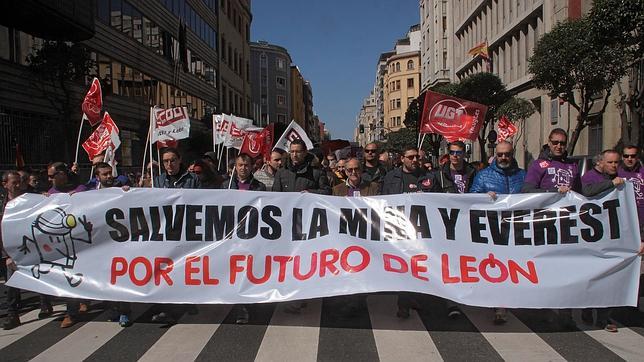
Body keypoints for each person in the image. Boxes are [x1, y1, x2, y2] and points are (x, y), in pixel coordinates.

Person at [469, 141, 525, 324]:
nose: (503, 158)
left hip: (517, 229)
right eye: (500, 154)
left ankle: (510, 300)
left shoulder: (522, 175)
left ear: (512, 154)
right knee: (496, 267)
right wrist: (484, 197)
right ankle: (499, 305)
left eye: (507, 154)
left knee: (514, 266)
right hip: (491, 229)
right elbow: (471, 198)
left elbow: (534, 194)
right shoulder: (483, 176)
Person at [423, 141, 477, 318]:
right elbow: (430, 198)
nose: (455, 156)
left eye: (459, 152)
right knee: (450, 262)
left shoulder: (473, 173)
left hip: (469, 223)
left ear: (464, 154)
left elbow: (480, 191)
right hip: (447, 225)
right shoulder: (439, 174)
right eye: (452, 152)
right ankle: (451, 301)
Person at [380, 146, 433, 318]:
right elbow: (383, 200)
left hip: (422, 230)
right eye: (410, 157)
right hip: (399, 229)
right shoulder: (391, 177)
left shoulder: (428, 177)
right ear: (402, 158)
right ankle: (403, 304)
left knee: (418, 266)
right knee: (403, 265)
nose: (414, 160)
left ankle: (413, 297)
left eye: (417, 157)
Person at [151, 148, 200, 324]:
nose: (169, 165)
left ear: (180, 160)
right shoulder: (157, 181)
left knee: (185, 269)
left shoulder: (192, 180)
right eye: (165, 161)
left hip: (186, 231)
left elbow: (202, 202)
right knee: (167, 269)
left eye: (172, 160)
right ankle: (168, 308)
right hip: (166, 233)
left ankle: (188, 300)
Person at [1, 171, 54, 329]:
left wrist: (46, 198)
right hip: (10, 249)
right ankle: (13, 314)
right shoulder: (2, 204)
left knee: (38, 274)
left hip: (31, 244)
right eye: (14, 183)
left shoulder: (31, 198)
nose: (18, 185)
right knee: (12, 282)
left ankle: (45, 302)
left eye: (20, 181)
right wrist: (6, 255)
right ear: (5, 185)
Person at [580, 150, 625, 332]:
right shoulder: (590, 177)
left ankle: (604, 317)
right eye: (610, 162)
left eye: (616, 162)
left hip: (613, 235)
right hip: (592, 236)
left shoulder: (620, 178)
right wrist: (610, 184)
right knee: (591, 275)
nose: (614, 166)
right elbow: (587, 191)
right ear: (600, 163)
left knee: (609, 276)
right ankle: (586, 308)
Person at [224, 154, 267, 324]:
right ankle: (240, 307)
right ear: (235, 166)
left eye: (246, 165)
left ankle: (249, 302)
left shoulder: (260, 187)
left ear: (252, 167)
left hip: (252, 236)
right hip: (231, 237)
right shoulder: (225, 186)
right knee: (234, 272)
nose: (243, 168)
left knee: (248, 271)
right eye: (240, 165)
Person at [46, 163, 89, 327]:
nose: (49, 179)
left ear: (62, 174)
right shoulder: (49, 194)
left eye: (52, 175)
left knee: (82, 274)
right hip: (62, 243)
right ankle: (71, 312)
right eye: (48, 176)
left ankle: (84, 299)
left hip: (82, 242)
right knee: (68, 276)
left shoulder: (80, 190)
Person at [93, 162, 133, 327]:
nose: (109, 177)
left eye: (110, 173)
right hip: (100, 244)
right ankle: (113, 308)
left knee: (121, 278)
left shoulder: (122, 190)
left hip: (120, 243)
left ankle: (124, 311)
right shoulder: (89, 194)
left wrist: (128, 193)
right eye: (105, 174)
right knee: (106, 279)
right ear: (98, 177)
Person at [521, 128, 580, 193]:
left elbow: (580, 192)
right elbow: (527, 191)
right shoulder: (537, 165)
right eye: (555, 142)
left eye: (562, 143)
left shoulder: (573, 165)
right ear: (549, 143)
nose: (559, 146)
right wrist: (555, 191)